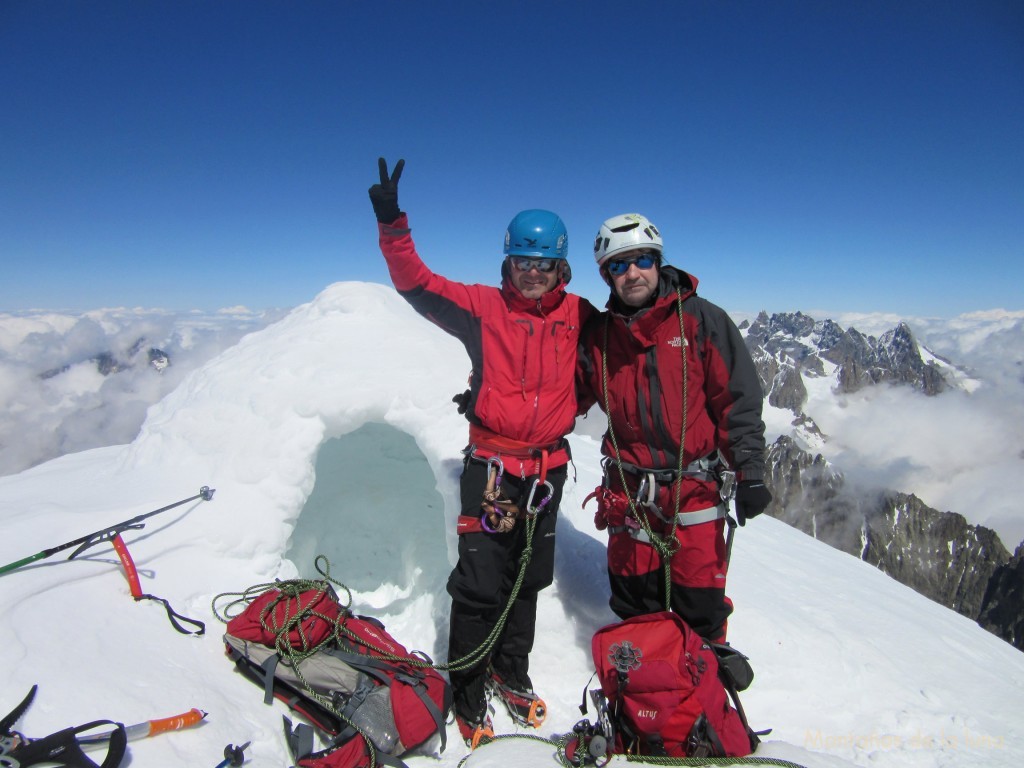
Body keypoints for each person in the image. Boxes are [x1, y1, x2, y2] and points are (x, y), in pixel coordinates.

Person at [368, 158, 594, 748]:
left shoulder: (579, 317)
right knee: (478, 583)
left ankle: (511, 673)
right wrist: (394, 226)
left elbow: (629, 339)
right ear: (508, 262)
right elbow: (418, 285)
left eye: (544, 264)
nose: (533, 273)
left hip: (549, 470)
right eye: (523, 261)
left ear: (562, 267)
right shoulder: (482, 308)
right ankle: (467, 691)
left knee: (529, 578)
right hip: (493, 470)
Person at [577, 213, 771, 644]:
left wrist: (750, 470)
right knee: (634, 607)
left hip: (695, 489)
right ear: (606, 275)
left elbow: (737, 400)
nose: (632, 273)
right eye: (618, 265)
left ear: (658, 262)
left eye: (642, 260)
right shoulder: (600, 337)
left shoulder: (702, 321)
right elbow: (566, 395)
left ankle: (702, 695)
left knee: (699, 609)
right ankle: (641, 697)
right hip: (629, 493)